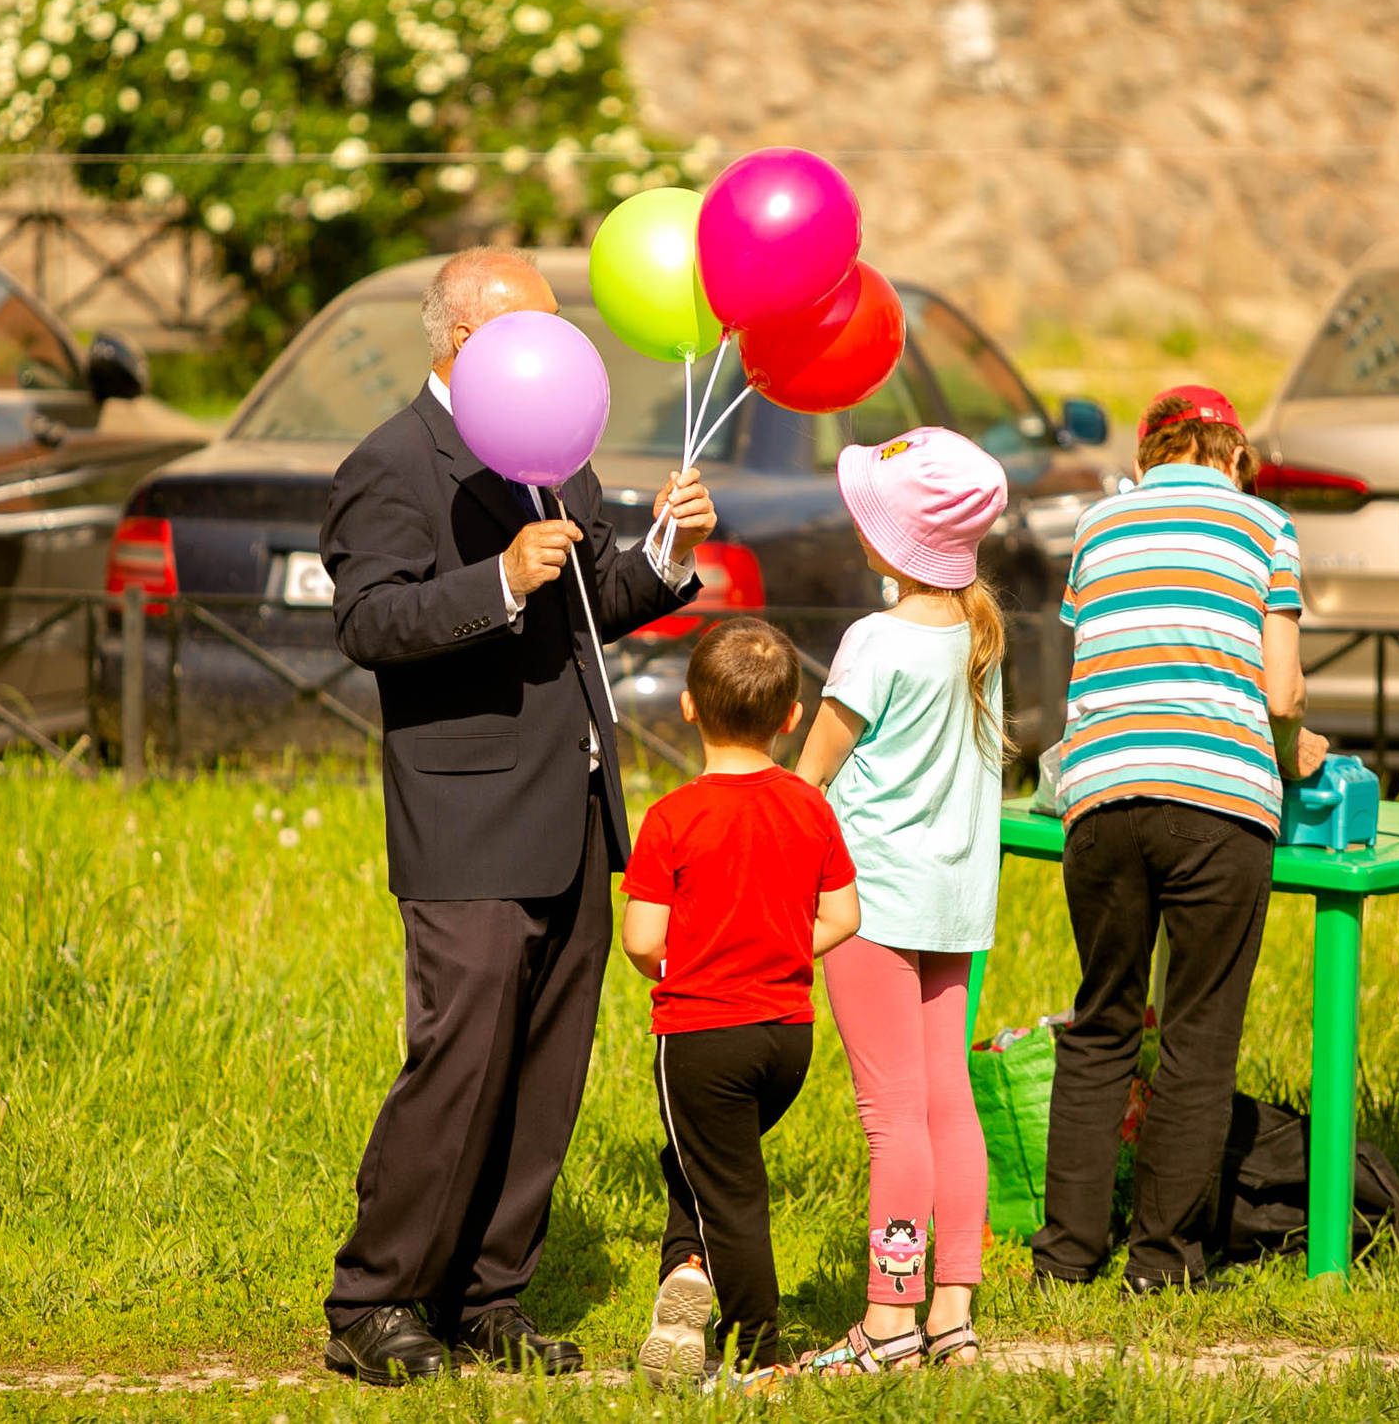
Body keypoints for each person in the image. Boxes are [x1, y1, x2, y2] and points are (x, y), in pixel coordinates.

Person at [318, 248, 719, 1385]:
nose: (556, 356)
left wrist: (663, 553)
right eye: (527, 334)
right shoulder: (392, 465)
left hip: (574, 814)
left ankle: (490, 1294)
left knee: (545, 1070)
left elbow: (587, 604)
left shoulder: (552, 449)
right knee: (458, 1060)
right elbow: (371, 624)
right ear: (459, 343)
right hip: (467, 823)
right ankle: (378, 1300)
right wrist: (494, 581)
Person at [1033, 384, 1328, 1295]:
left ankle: (1065, 1259)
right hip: (1220, 800)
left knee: (1101, 1022)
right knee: (1198, 1038)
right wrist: (1298, 750)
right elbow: (1277, 694)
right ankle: (1162, 1264)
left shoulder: (1098, 526)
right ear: (1234, 456)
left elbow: (1097, 656)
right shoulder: (1265, 525)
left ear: (1145, 459)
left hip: (1104, 793)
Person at [791, 426, 1011, 1374]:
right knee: (946, 1100)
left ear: (897, 546)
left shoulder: (872, 641)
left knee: (891, 1114)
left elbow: (808, 782)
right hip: (955, 902)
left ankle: (888, 1319)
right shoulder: (980, 632)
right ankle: (950, 1315)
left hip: (869, 903)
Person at [621, 617, 862, 1392]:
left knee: (728, 1189)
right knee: (703, 1161)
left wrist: (678, 961)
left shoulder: (671, 818)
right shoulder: (809, 807)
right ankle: (684, 1267)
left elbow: (639, 938)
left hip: (701, 1035)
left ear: (689, 707)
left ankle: (762, 1356)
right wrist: (783, 949)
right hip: (786, 1037)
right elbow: (845, 915)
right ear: (792, 717)